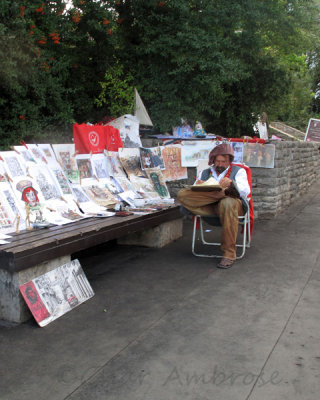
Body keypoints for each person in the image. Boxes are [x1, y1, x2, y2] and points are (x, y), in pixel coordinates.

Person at [177, 143, 250, 269]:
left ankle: (229, 254)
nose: (220, 164)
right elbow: (192, 194)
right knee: (182, 194)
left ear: (229, 161)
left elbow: (245, 192)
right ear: (213, 160)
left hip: (231, 208)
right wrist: (200, 186)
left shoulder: (239, 171)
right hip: (209, 207)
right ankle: (222, 193)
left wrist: (232, 183)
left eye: (223, 161)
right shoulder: (205, 172)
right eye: (218, 161)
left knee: (227, 202)